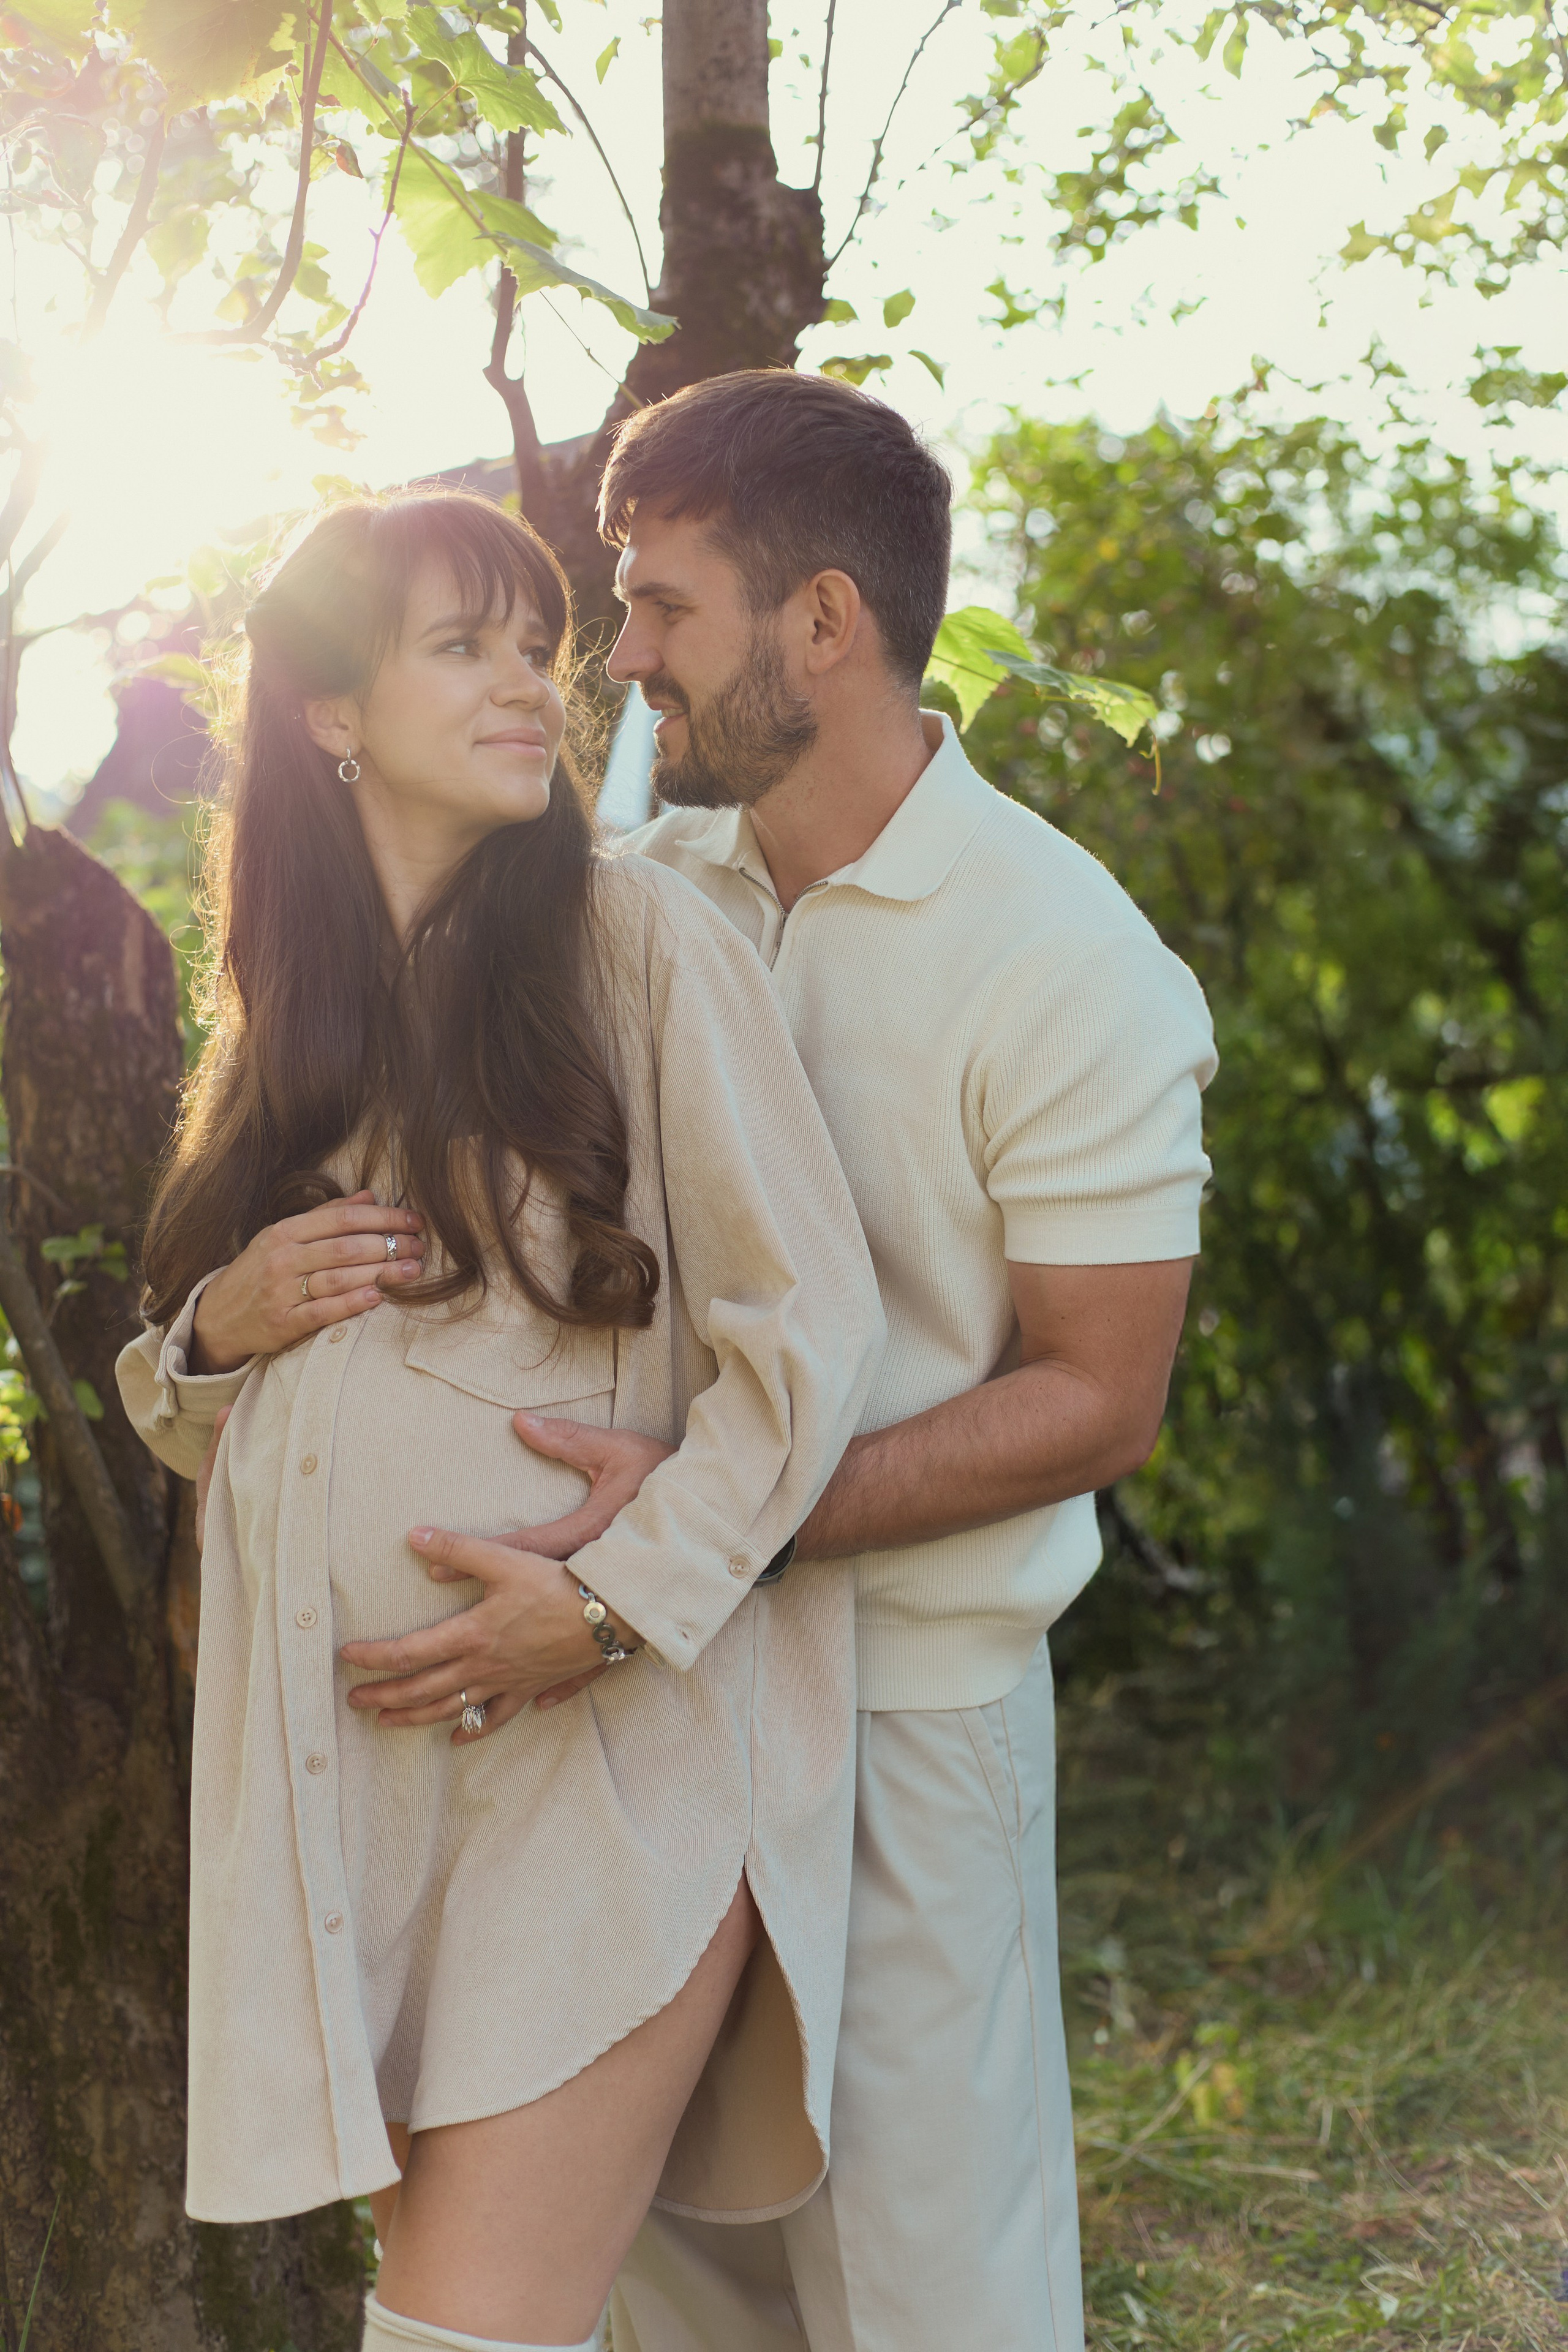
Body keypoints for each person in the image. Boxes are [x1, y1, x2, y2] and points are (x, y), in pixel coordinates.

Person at [347, 372, 1218, 2352]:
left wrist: (697, 1540)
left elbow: (1101, 1396)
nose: (623, 654)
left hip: (906, 1709)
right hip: (636, 1712)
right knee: (664, 2279)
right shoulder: (653, 890)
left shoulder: (1065, 961)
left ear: (824, 623)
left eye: (662, 607)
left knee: (934, 2298)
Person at [116, 489, 886, 2352]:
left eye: (538, 651)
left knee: (459, 2336)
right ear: (327, 711)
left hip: (602, 1771)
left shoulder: (637, 946)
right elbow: (210, 1416)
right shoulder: (290, 1024)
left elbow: (812, 1338)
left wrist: (614, 1599)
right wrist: (212, 1327)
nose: (532, 690)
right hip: (368, 1802)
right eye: (464, 648)